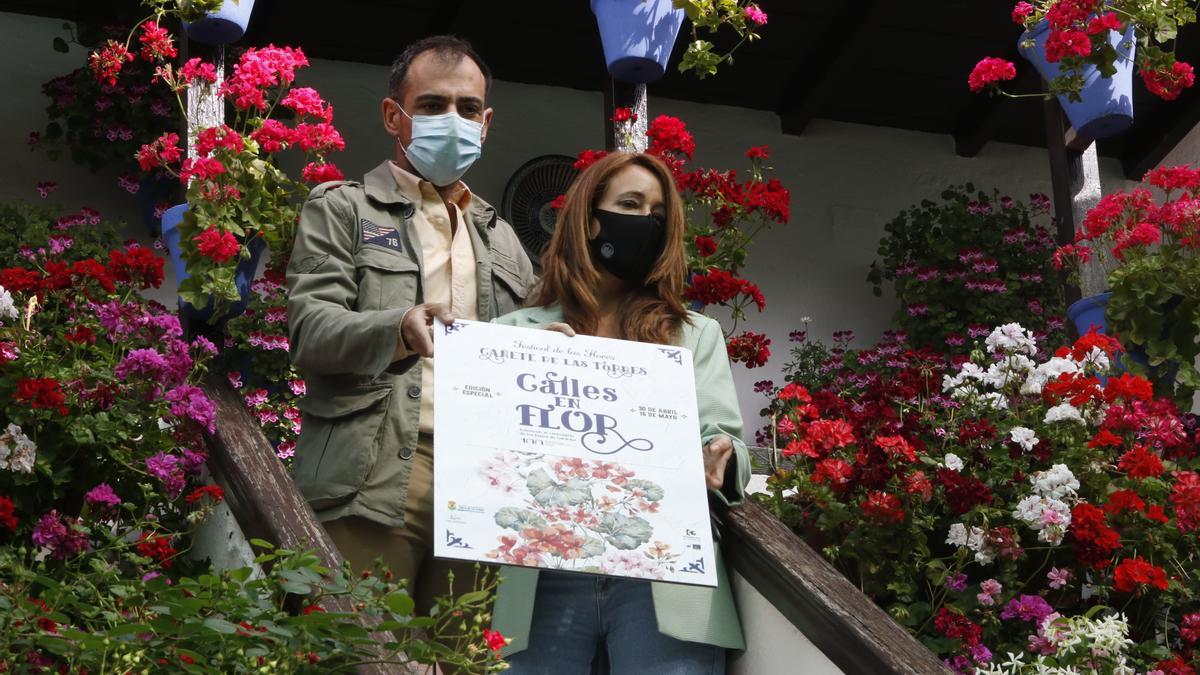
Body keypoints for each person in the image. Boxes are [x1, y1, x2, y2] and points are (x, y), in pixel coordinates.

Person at [285, 35, 536, 612]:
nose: (453, 119)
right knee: (360, 652)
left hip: (485, 483)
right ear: (394, 117)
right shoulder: (342, 207)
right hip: (374, 472)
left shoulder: (503, 237)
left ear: (486, 122)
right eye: (432, 106)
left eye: (468, 109)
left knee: (464, 660)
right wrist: (397, 326)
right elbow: (311, 330)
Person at [490, 152, 750, 674]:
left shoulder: (698, 335)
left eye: (657, 214)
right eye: (630, 204)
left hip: (665, 574)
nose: (645, 222)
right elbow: (484, 455)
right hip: (545, 573)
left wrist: (723, 456)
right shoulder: (517, 334)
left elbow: (725, 439)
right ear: (590, 219)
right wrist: (524, 372)